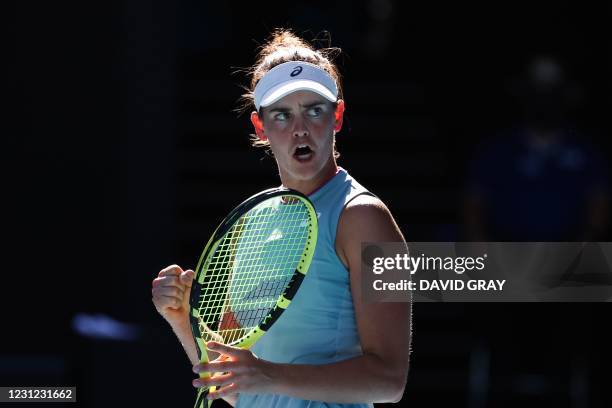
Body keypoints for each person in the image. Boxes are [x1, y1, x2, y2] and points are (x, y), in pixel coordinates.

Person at [152, 28, 412, 407]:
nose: (300, 129)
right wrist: (179, 318)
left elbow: (389, 381)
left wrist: (268, 373)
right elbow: (234, 384)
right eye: (282, 115)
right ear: (260, 127)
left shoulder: (365, 219)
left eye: (314, 110)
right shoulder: (255, 224)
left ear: (337, 116)